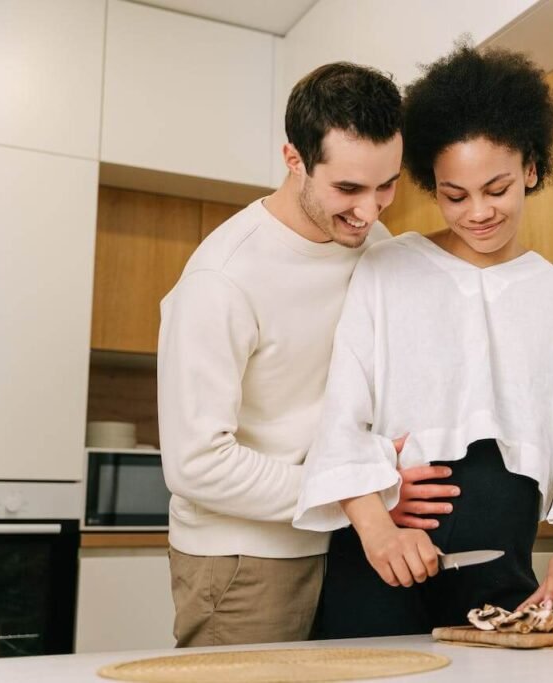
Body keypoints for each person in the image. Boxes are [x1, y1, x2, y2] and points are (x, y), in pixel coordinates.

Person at [293, 45, 553, 639]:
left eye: (498, 188)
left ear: (532, 170)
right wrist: (376, 530)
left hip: (503, 569)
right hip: (382, 561)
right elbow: (341, 421)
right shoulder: (387, 270)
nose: (479, 212)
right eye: (454, 195)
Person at [157, 62, 456, 648]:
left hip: (346, 547)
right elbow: (196, 465)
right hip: (246, 562)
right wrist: (361, 495)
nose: (369, 212)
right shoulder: (222, 280)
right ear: (294, 159)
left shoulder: (373, 243)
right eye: (347, 189)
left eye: (386, 185)